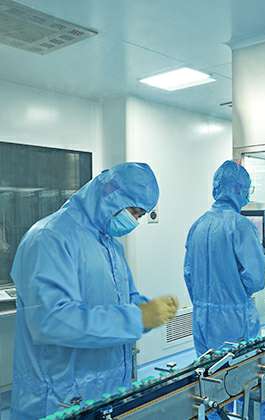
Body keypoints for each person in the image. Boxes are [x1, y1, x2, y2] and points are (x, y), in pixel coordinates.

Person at [10, 162, 179, 420]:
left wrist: (148, 309)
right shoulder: (49, 238)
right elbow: (52, 321)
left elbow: (126, 298)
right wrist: (137, 318)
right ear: (111, 195)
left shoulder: (111, 245)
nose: (134, 221)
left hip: (106, 391)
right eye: (134, 212)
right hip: (59, 398)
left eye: (140, 216)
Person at [184, 160, 265, 357]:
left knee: (208, 371)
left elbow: (188, 274)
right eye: (246, 189)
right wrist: (235, 292)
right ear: (238, 189)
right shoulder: (241, 226)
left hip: (201, 319)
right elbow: (256, 279)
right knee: (240, 372)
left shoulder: (198, 225)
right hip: (234, 320)